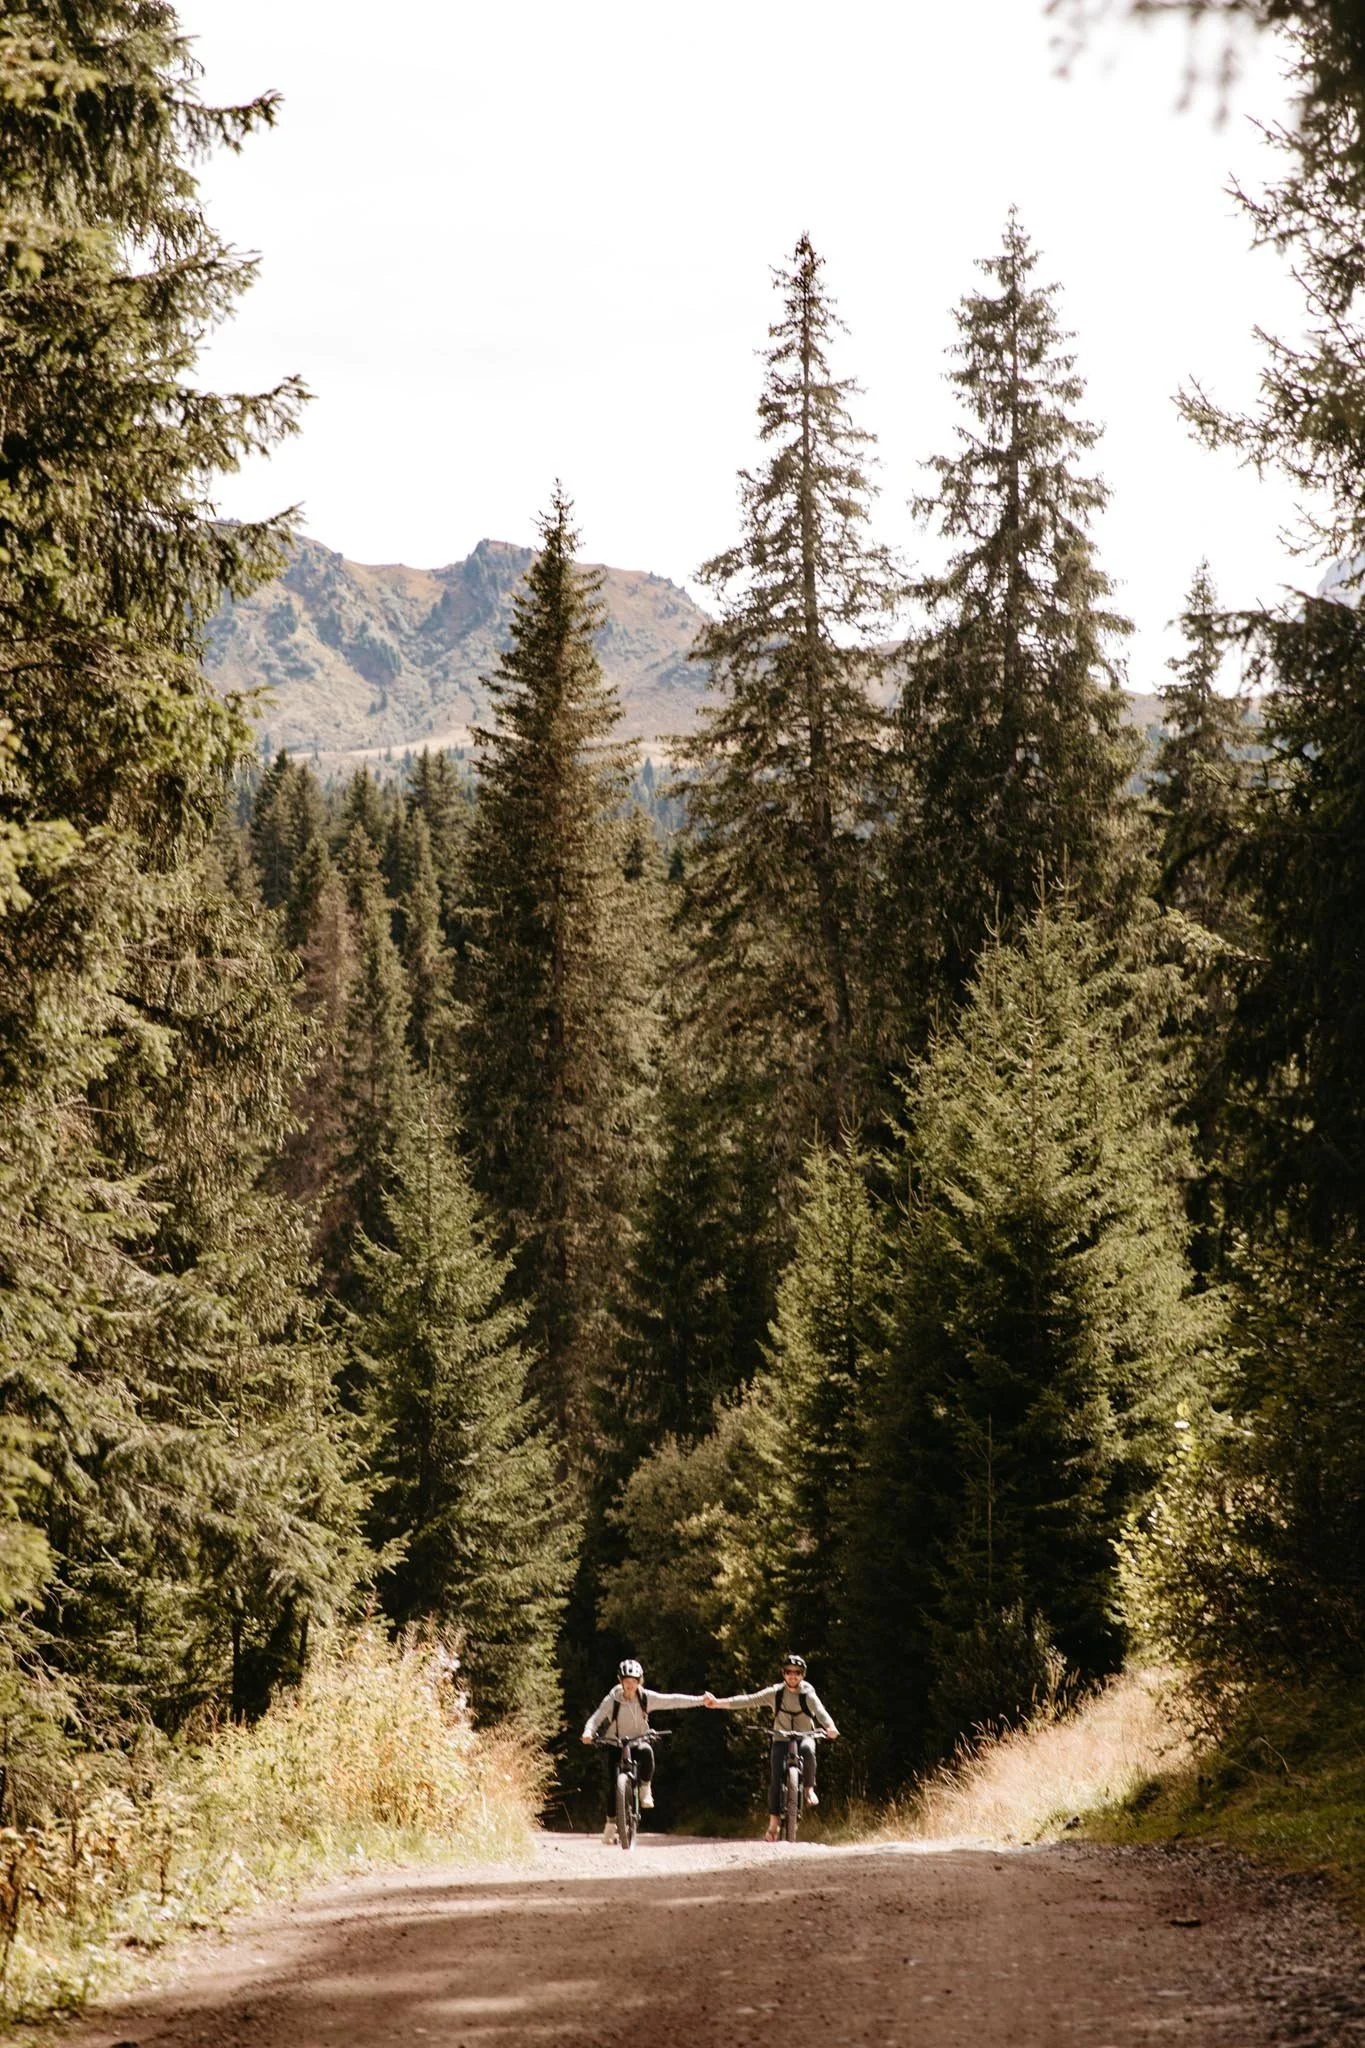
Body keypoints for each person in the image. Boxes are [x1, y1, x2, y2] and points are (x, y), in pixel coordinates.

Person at [705, 1653, 839, 1841]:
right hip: (781, 1738)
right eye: (789, 1672)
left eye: (797, 1673)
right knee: (776, 1778)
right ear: (783, 1674)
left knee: (808, 1750)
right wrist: (717, 1703)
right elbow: (748, 1700)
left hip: (804, 1736)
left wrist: (830, 1727)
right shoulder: (775, 1693)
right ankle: (774, 1825)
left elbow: (820, 1711)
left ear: (803, 1675)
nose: (793, 1676)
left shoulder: (807, 1693)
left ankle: (809, 1789)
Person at [581, 1658, 706, 1843]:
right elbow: (596, 1717)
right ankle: (610, 1826)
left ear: (640, 1681)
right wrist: (588, 1732)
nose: (630, 1685)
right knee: (614, 1787)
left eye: (634, 1681)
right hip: (615, 1743)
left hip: (637, 1741)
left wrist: (701, 1700)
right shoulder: (612, 1699)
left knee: (647, 1752)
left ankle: (645, 1788)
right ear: (620, 1681)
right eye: (626, 1681)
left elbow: (674, 1700)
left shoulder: (646, 1698)